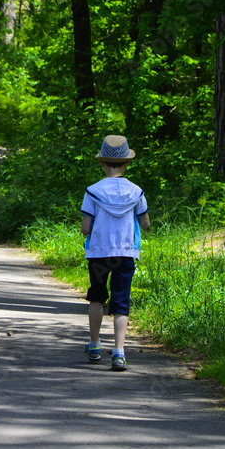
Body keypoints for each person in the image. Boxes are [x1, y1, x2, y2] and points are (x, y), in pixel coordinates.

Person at [80, 135, 150, 371]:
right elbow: (146, 223)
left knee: (97, 297)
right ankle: (119, 352)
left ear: (101, 163)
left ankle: (95, 345)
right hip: (125, 252)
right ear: (127, 163)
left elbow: (85, 228)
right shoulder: (136, 191)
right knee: (121, 301)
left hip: (99, 253)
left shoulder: (92, 191)